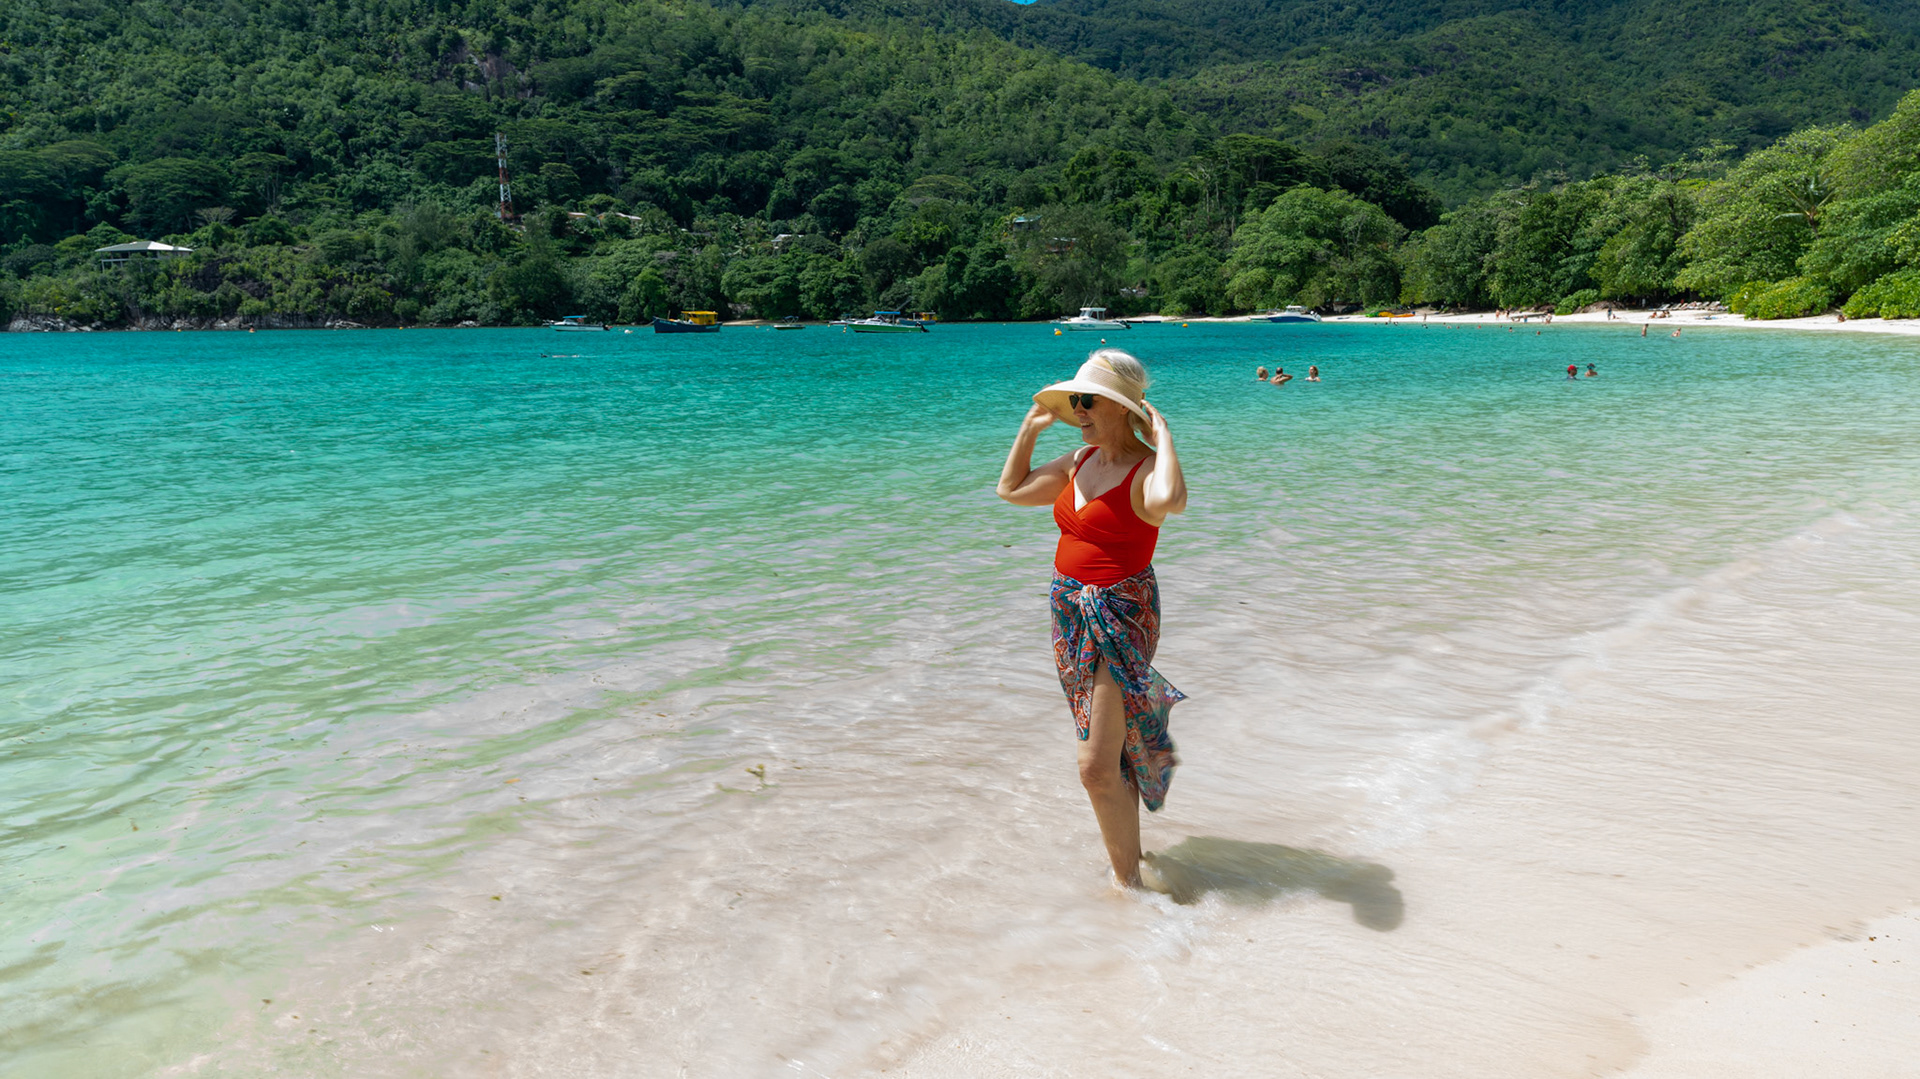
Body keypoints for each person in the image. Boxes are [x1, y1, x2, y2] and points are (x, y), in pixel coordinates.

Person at [995, 350, 1189, 890]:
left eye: (1088, 400)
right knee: (1112, 755)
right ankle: (1135, 865)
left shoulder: (1149, 469)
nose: (1078, 409)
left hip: (1121, 613)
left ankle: (1128, 892)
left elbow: (1171, 500)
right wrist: (1028, 431)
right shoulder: (1078, 461)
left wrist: (1165, 436)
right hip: (1069, 615)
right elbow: (1009, 491)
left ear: (1123, 407)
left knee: (1094, 766)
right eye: (1074, 400)